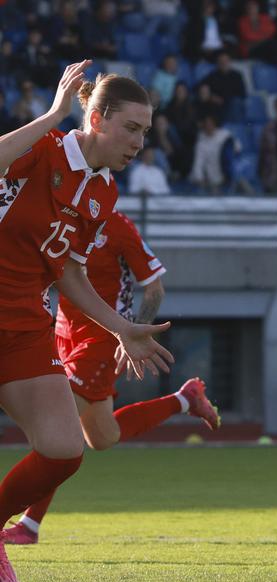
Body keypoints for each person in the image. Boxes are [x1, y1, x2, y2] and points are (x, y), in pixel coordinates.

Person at [0, 63, 176, 582]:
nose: (139, 142)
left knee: (63, 448)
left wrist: (122, 327)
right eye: (131, 128)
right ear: (96, 120)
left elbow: (70, 273)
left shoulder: (104, 193)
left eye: (145, 131)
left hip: (25, 322)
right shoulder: (46, 148)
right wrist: (54, 114)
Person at [2, 211, 221, 546]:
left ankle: (29, 524)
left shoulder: (118, 226)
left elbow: (154, 288)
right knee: (102, 436)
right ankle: (184, 400)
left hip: (103, 338)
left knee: (59, 429)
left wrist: (133, 333)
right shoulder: (58, 215)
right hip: (61, 333)